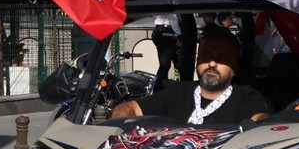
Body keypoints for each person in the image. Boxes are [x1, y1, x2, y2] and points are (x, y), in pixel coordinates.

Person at [112, 31, 270, 125]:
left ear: (235, 66)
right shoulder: (178, 93)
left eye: (222, 58)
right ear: (198, 59)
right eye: (206, 55)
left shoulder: (246, 98)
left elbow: (262, 125)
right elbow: (127, 109)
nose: (212, 63)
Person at [150, 14, 179, 87]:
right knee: (172, 63)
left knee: (165, 63)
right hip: (166, 32)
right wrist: (179, 34)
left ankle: (159, 84)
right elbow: (173, 19)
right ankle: (160, 84)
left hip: (159, 31)